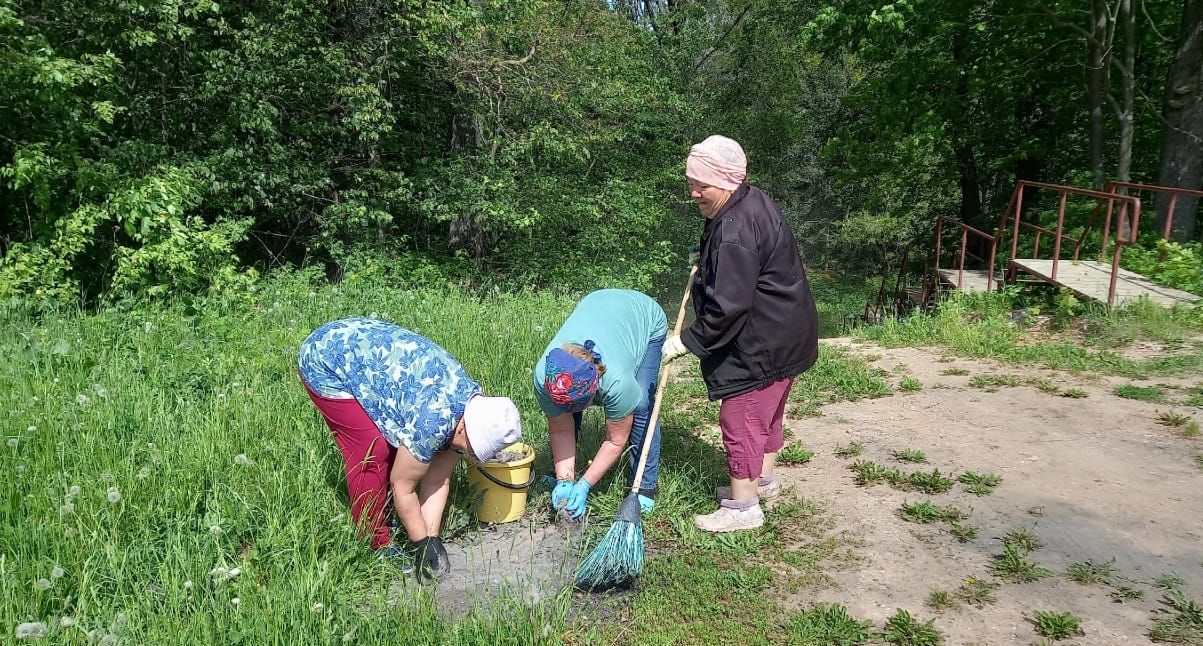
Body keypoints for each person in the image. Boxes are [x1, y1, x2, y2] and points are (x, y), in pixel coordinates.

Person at [662, 134, 819, 533]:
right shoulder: (749, 200)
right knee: (767, 415)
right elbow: (738, 259)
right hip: (787, 332)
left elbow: (728, 307)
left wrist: (685, 342)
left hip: (762, 342)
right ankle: (763, 480)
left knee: (742, 417)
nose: (694, 192)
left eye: (702, 185)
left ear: (727, 182)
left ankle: (744, 507)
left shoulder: (733, 228)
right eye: (690, 182)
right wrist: (708, 256)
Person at [298, 317, 521, 583]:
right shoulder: (432, 422)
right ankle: (374, 543)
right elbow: (402, 485)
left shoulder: (471, 410)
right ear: (463, 429)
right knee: (372, 451)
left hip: (371, 357)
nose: (470, 455)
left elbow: (437, 480)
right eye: (472, 450)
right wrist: (420, 543)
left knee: (403, 453)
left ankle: (390, 516)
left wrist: (431, 538)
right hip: (328, 357)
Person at [533, 290, 669, 519]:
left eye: (579, 407)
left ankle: (643, 485)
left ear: (595, 389)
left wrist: (586, 483)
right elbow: (560, 427)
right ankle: (564, 474)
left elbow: (616, 440)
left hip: (644, 316)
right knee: (566, 413)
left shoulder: (616, 382)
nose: (572, 412)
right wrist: (565, 480)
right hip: (597, 302)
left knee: (642, 404)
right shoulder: (545, 375)